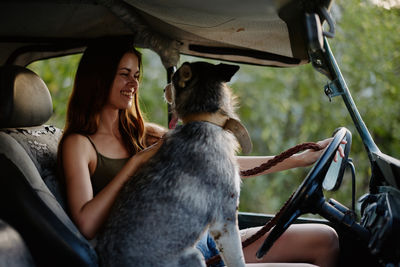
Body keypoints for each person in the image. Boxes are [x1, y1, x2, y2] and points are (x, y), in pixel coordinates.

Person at [58, 37, 339, 267]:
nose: (133, 84)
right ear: (99, 77)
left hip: (201, 240)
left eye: (137, 75)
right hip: (162, 256)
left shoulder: (143, 132)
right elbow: (86, 223)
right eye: (123, 74)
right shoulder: (79, 144)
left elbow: (219, 165)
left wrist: (301, 158)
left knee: (324, 239)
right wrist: (135, 162)